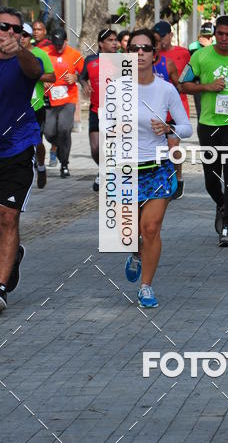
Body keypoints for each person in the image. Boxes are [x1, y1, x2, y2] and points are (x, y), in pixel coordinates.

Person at [123, 28, 192, 307]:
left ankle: (146, 287)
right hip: (126, 167)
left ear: (155, 55)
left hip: (158, 167)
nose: (140, 52)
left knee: (150, 228)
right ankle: (136, 252)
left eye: (145, 48)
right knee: (131, 231)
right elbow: (105, 124)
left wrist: (168, 128)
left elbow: (186, 127)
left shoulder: (165, 89)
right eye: (134, 48)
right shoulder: (117, 87)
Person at [181, 15, 228, 246]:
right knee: (211, 179)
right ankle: (222, 204)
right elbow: (183, 84)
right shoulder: (200, 56)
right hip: (209, 125)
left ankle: (227, 227)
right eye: (220, 34)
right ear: (214, 34)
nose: (224, 38)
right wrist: (207, 86)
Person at [0, 8, 44, 313]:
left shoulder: (25, 59)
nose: (10, 33)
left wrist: (19, 51)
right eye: (4, 26)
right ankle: (12, 255)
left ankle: (0, 288)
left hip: (17, 147)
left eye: (17, 29)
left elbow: (35, 71)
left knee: (7, 216)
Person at [153, 20, 191, 199]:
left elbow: (190, 76)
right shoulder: (150, 56)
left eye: (163, 36)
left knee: (173, 146)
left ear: (171, 35)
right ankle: (163, 179)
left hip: (177, 107)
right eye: (157, 38)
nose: (161, 41)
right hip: (156, 110)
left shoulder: (183, 53)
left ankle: (179, 178)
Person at [80, 29, 119, 191]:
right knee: (95, 149)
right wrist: (84, 84)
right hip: (96, 110)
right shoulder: (90, 60)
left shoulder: (122, 61)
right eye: (110, 40)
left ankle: (107, 173)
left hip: (115, 113)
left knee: (109, 147)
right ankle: (103, 169)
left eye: (115, 40)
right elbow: (81, 76)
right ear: (101, 44)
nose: (115, 43)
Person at [44, 27, 84, 177]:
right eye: (55, 44)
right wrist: (43, 80)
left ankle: (64, 164)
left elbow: (84, 73)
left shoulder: (74, 55)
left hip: (68, 99)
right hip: (50, 99)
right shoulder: (46, 53)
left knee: (64, 129)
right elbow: (35, 71)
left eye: (60, 44)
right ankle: (60, 148)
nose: (58, 47)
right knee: (49, 132)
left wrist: (75, 77)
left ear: (66, 41)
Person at [19, 23, 55, 189]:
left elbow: (52, 77)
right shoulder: (10, 54)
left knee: (37, 142)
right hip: (16, 106)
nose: (22, 38)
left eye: (25, 35)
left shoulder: (40, 54)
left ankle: (41, 167)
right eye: (19, 34)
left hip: (36, 105)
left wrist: (35, 75)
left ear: (30, 37)